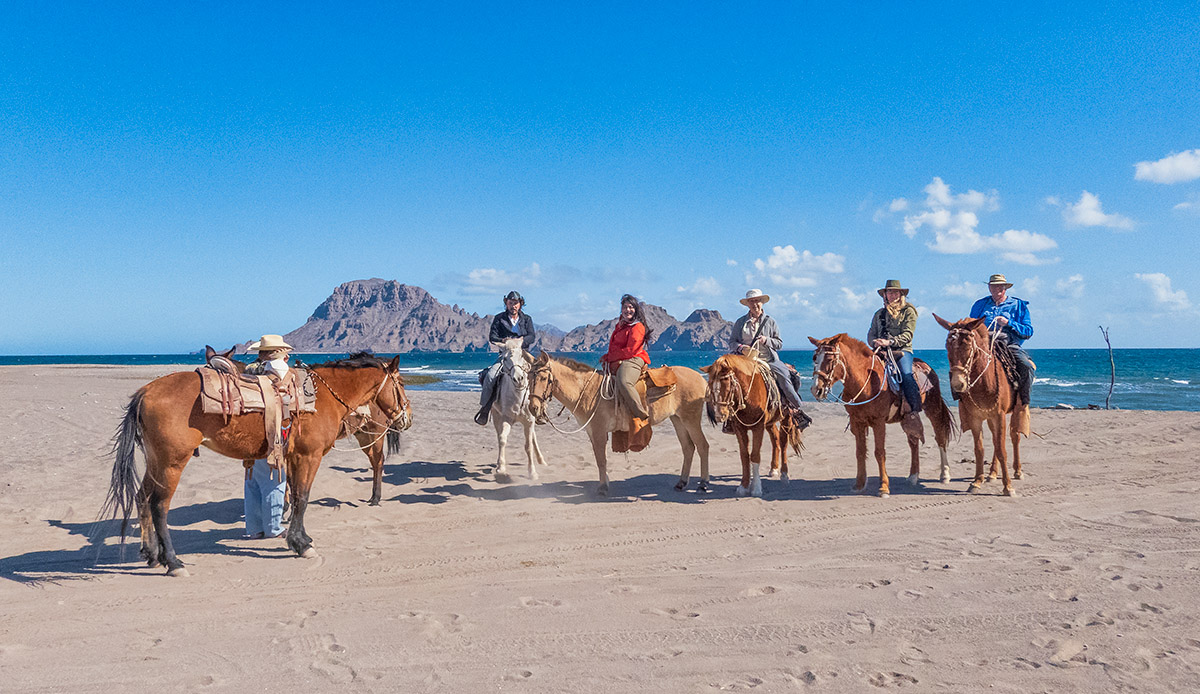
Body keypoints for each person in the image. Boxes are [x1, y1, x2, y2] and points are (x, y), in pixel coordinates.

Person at [729, 289, 807, 425]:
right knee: (726, 379)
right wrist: (741, 348)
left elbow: (779, 343)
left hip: (767, 359)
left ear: (762, 303)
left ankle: (796, 408)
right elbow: (732, 342)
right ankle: (729, 418)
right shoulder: (740, 322)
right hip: (745, 360)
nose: (755, 304)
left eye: (757, 301)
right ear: (747, 304)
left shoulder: (770, 322)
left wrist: (766, 340)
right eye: (752, 301)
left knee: (784, 375)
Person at [242, 334, 292, 539]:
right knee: (275, 479)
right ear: (281, 352)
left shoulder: (253, 371)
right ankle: (274, 528)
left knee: (252, 480)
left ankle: (254, 528)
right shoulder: (280, 368)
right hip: (273, 430)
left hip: (251, 429)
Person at [969, 274, 1034, 407]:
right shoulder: (980, 305)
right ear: (989, 287)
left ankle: (1023, 402)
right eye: (993, 286)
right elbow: (971, 326)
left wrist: (1009, 323)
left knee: (1026, 366)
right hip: (983, 345)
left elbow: (1028, 331)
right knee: (959, 363)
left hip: (1008, 345)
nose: (996, 288)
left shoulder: (1018, 305)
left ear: (1005, 288)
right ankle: (962, 399)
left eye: (999, 286)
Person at [475, 291, 537, 425]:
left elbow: (532, 336)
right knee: (491, 376)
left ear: (520, 304)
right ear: (506, 303)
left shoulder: (527, 319)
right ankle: (485, 409)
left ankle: (541, 410)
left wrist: (521, 340)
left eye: (516, 303)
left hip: (523, 354)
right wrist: (505, 340)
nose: (513, 306)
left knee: (541, 374)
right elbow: (493, 337)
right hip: (506, 354)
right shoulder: (499, 318)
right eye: (510, 303)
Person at [868, 279, 923, 421]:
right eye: (889, 292)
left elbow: (907, 334)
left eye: (895, 292)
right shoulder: (879, 314)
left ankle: (913, 409)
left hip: (902, 350)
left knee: (906, 374)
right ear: (885, 295)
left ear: (900, 294)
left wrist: (890, 342)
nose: (892, 295)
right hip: (880, 350)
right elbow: (871, 333)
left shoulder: (909, 311)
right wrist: (874, 342)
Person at [600, 294, 653, 427]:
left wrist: (610, 358)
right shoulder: (621, 325)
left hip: (635, 358)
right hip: (622, 357)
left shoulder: (637, 327)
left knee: (624, 381)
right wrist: (607, 357)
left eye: (631, 307)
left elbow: (631, 349)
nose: (627, 310)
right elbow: (615, 346)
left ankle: (640, 414)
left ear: (636, 310)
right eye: (625, 307)